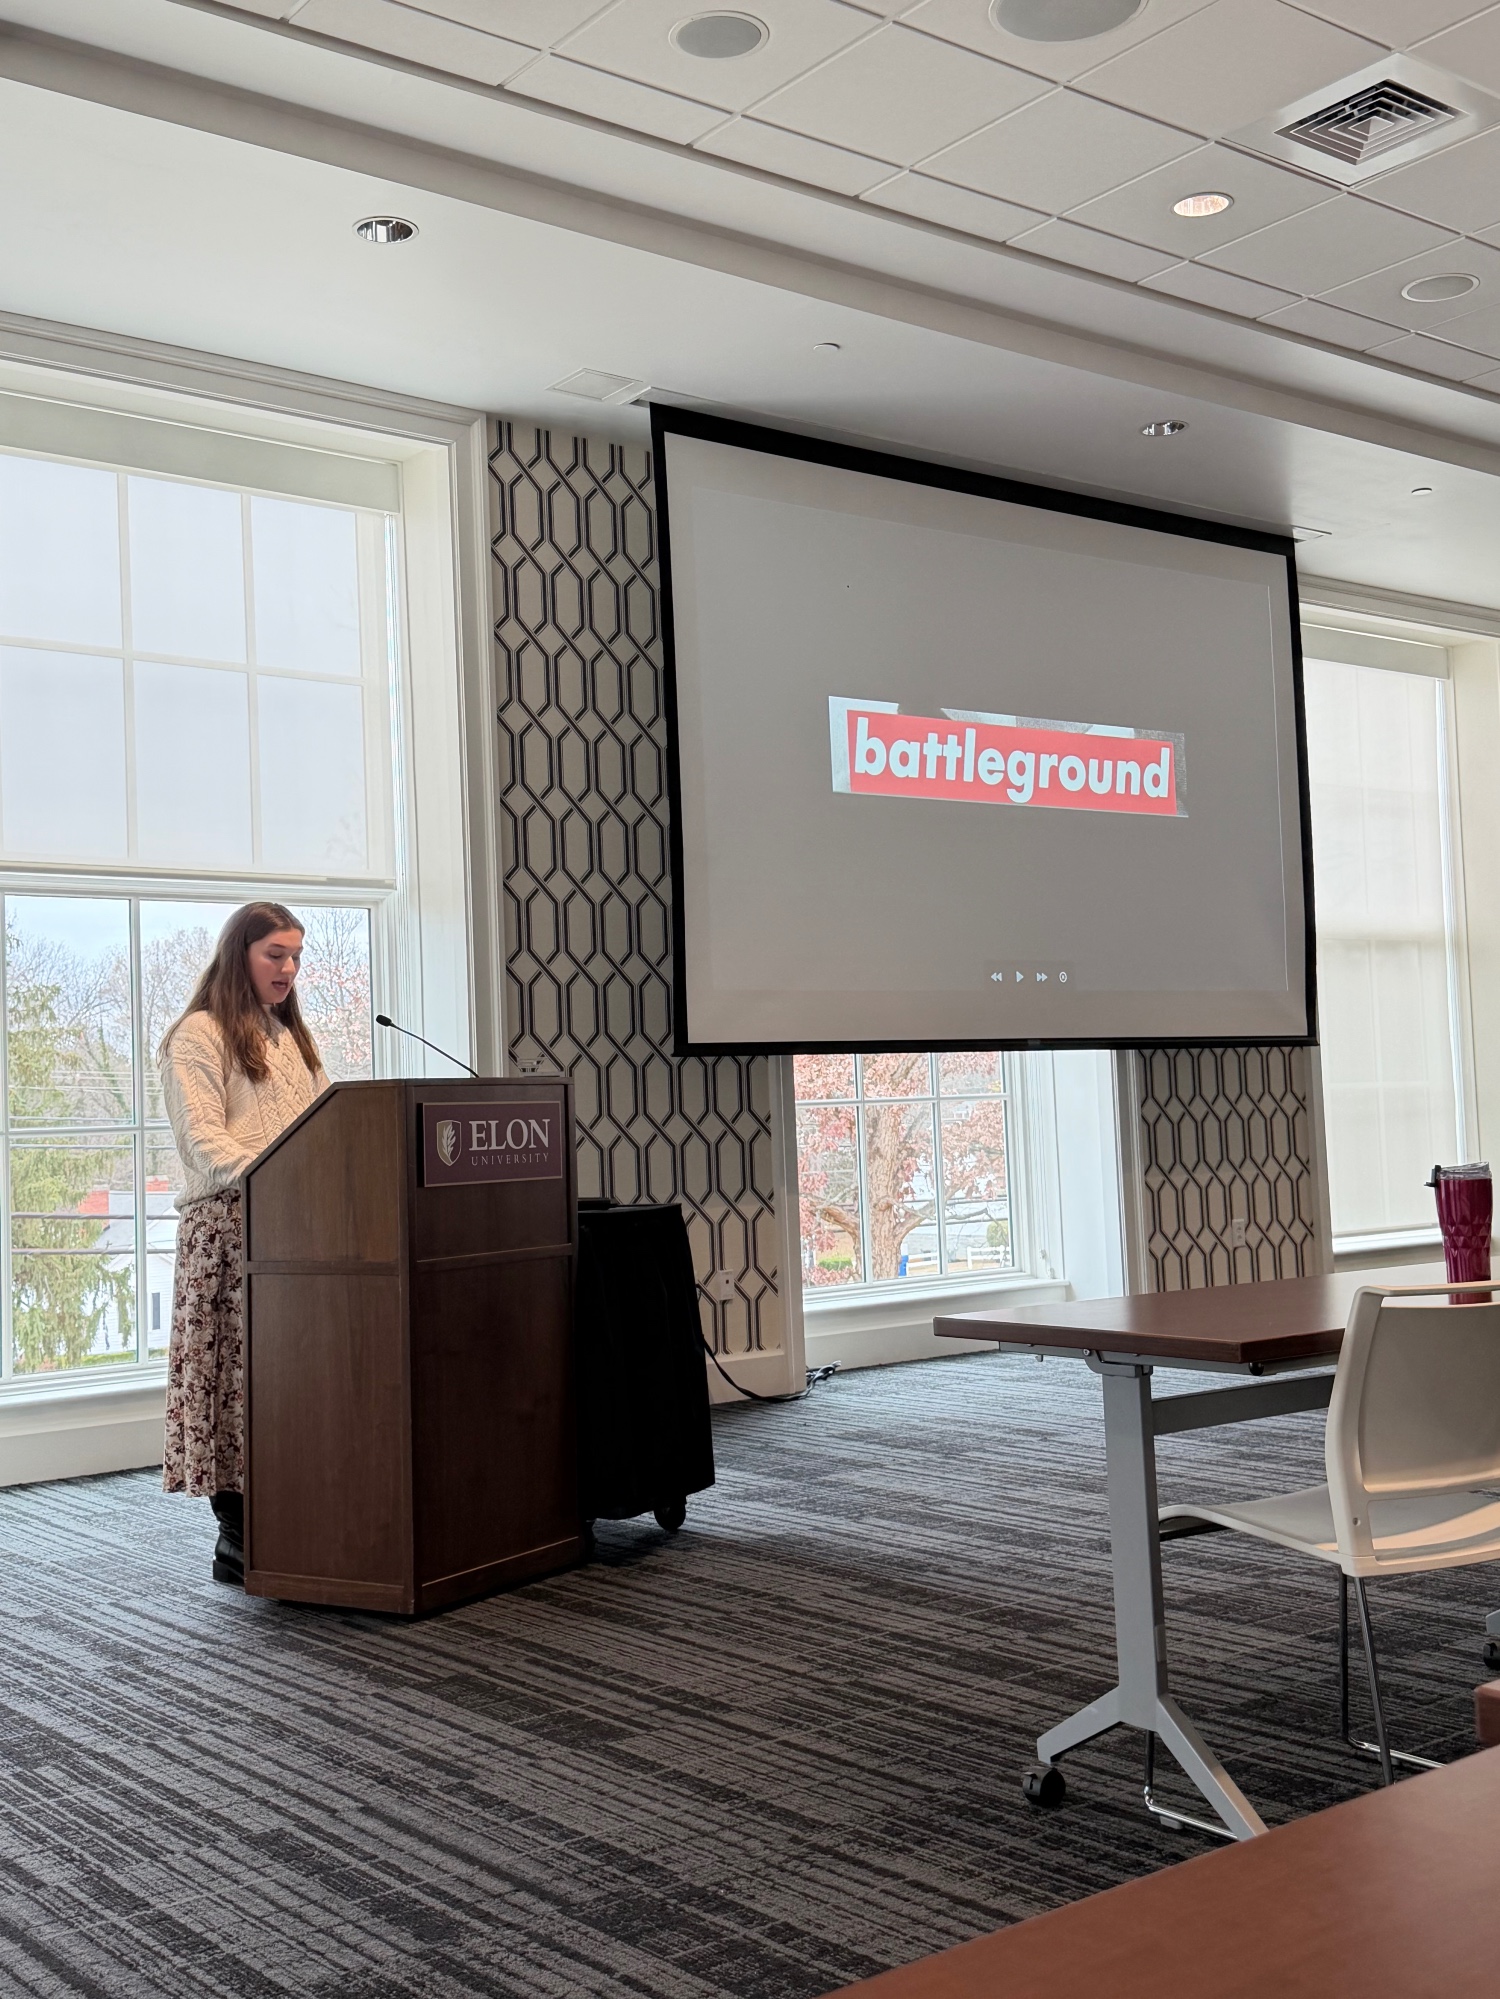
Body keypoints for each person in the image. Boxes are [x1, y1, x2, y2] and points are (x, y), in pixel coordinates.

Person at [159, 903, 329, 1585]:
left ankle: (290, 1520)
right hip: (227, 1233)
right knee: (231, 1385)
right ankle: (236, 1538)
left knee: (282, 1379)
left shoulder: (290, 1037)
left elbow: (326, 1125)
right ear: (240, 955)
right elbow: (202, 1139)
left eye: (295, 956)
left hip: (294, 1227)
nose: (289, 968)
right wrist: (279, 1173)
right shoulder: (198, 1034)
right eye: (275, 955)